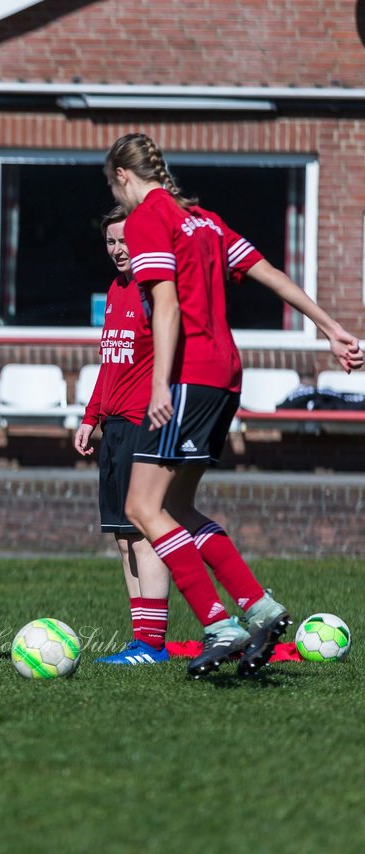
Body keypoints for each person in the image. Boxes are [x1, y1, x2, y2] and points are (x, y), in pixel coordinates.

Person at [105, 132, 364, 677]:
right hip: (226, 375)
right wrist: (331, 328)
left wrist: (159, 385)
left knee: (141, 509)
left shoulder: (151, 219)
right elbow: (269, 271)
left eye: (115, 188)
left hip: (189, 376)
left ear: (123, 178)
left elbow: (167, 304)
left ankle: (219, 623)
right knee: (176, 508)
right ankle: (259, 605)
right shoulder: (205, 220)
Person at [74, 207, 172, 665]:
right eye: (111, 241)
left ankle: (153, 644)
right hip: (111, 427)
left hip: (143, 425)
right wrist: (89, 417)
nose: (117, 250)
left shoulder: (157, 292)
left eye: (125, 241)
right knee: (120, 534)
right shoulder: (116, 289)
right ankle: (141, 640)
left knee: (143, 531)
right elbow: (109, 365)